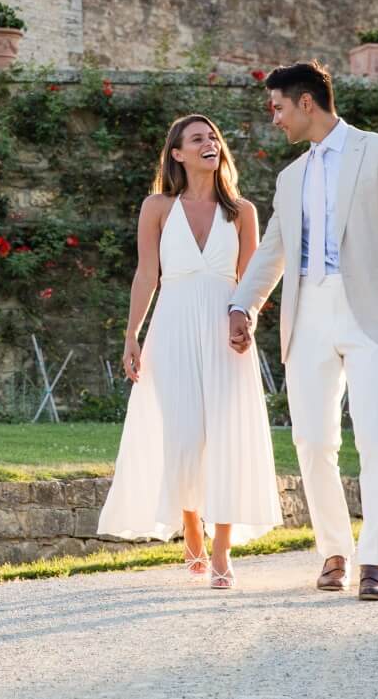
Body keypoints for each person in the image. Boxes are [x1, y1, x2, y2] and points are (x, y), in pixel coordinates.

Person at [228, 61, 378, 601]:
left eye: (277, 107)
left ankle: (376, 561)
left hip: (370, 307)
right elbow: (275, 247)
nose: (273, 119)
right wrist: (243, 305)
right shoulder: (290, 176)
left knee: (375, 437)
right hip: (309, 313)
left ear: (306, 103)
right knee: (312, 440)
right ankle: (334, 551)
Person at [98, 114, 283, 587]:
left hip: (225, 327)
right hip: (173, 325)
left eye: (214, 136)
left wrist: (248, 321)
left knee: (225, 433)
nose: (210, 143)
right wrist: (131, 334)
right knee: (182, 435)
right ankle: (191, 528)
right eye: (198, 138)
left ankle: (221, 546)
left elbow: (252, 281)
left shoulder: (242, 211)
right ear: (177, 153)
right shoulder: (157, 207)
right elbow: (146, 275)